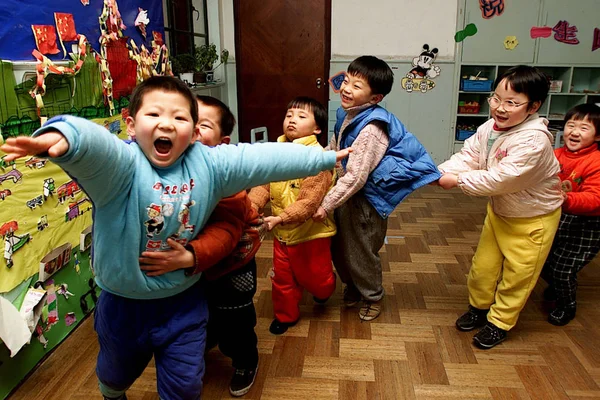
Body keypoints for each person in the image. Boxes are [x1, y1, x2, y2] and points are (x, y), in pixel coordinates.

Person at [0, 76, 350, 400]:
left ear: (195, 132)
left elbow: (260, 157)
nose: (167, 123)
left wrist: (320, 158)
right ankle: (113, 394)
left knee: (184, 384)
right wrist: (65, 137)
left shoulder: (209, 164)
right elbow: (98, 146)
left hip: (183, 301)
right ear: (132, 125)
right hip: (122, 303)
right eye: (154, 113)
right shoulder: (122, 167)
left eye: (180, 118)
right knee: (114, 372)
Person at [137, 95, 262, 397]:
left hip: (232, 268)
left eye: (202, 125)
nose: (191, 130)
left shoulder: (224, 179)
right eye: (186, 120)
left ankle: (246, 361)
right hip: (194, 271)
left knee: (236, 323)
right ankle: (202, 347)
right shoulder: (169, 169)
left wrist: (191, 255)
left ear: (222, 141)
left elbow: (226, 232)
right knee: (200, 318)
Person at [437, 65, 563, 349]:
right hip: (500, 212)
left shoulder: (534, 141)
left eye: (511, 103)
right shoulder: (489, 127)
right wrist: (438, 172)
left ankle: (500, 323)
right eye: (495, 98)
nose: (499, 108)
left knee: (518, 277)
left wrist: (455, 181)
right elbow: (469, 156)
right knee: (483, 268)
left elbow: (501, 179)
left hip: (533, 220)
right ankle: (479, 309)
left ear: (534, 106)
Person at [313, 55, 440, 322]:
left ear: (375, 99)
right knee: (339, 245)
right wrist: (317, 160)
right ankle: (353, 287)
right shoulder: (346, 112)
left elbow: (357, 177)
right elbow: (337, 148)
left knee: (360, 250)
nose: (347, 88)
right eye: (347, 80)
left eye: (357, 86)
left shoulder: (373, 128)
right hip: (347, 193)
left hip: (367, 200)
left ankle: (372, 295)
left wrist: (325, 204)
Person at [248, 96, 337, 335]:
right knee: (283, 278)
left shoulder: (318, 160)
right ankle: (285, 316)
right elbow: (263, 185)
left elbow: (309, 202)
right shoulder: (277, 152)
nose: (292, 120)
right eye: (289, 115)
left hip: (311, 234)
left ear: (317, 128)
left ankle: (325, 290)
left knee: (317, 280)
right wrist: (250, 208)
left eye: (301, 116)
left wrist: (280, 218)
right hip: (282, 233)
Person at [541, 103, 600, 326]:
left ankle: (567, 305)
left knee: (563, 269)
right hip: (557, 217)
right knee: (543, 260)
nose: (574, 132)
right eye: (570, 125)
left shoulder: (596, 162)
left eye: (584, 128)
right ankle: (556, 285)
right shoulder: (554, 154)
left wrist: (566, 199)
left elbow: (596, 199)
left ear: (598, 135)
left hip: (587, 224)